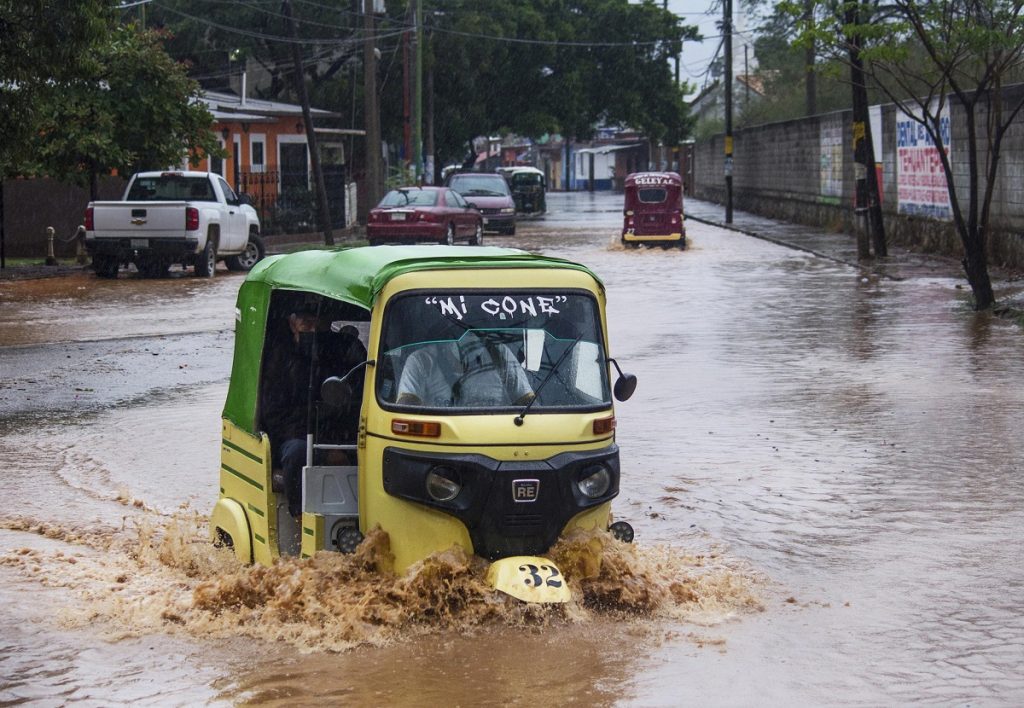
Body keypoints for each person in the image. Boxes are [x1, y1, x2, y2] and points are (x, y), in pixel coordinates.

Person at [260, 310, 366, 518]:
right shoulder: (279, 359)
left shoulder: (344, 349)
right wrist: (325, 451)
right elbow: (275, 417)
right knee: (297, 453)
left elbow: (360, 397)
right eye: (306, 323)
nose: (313, 330)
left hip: (342, 432)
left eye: (318, 323)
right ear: (292, 324)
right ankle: (300, 518)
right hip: (295, 436)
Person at [396, 330, 533, 407]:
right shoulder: (422, 361)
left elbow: (527, 402)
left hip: (495, 437)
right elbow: (406, 408)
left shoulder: (499, 354)